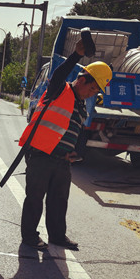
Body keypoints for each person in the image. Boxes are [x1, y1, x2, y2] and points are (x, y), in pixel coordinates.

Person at [19, 39, 112, 251]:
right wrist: (76, 56)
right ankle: (30, 237)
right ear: (81, 79)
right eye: (92, 86)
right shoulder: (59, 90)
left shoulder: (81, 105)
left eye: (96, 90)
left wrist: (77, 153)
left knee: (59, 201)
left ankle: (57, 236)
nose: (92, 92)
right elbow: (59, 74)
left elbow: (78, 133)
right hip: (41, 155)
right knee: (35, 198)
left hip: (62, 161)